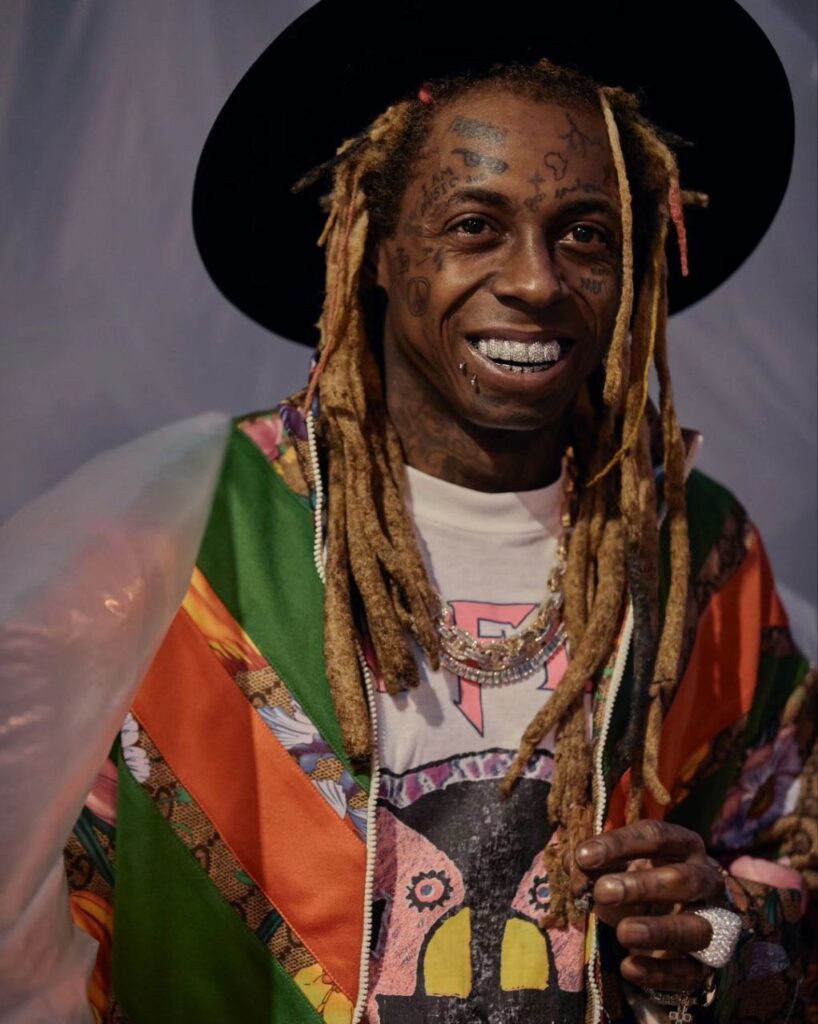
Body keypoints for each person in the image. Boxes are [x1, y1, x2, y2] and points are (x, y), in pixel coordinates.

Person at [1, 1, 814, 1022]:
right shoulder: (188, 534)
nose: (536, 281)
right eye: (474, 226)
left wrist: (720, 933)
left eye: (585, 234)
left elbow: (791, 862)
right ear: (374, 246)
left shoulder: (694, 550)